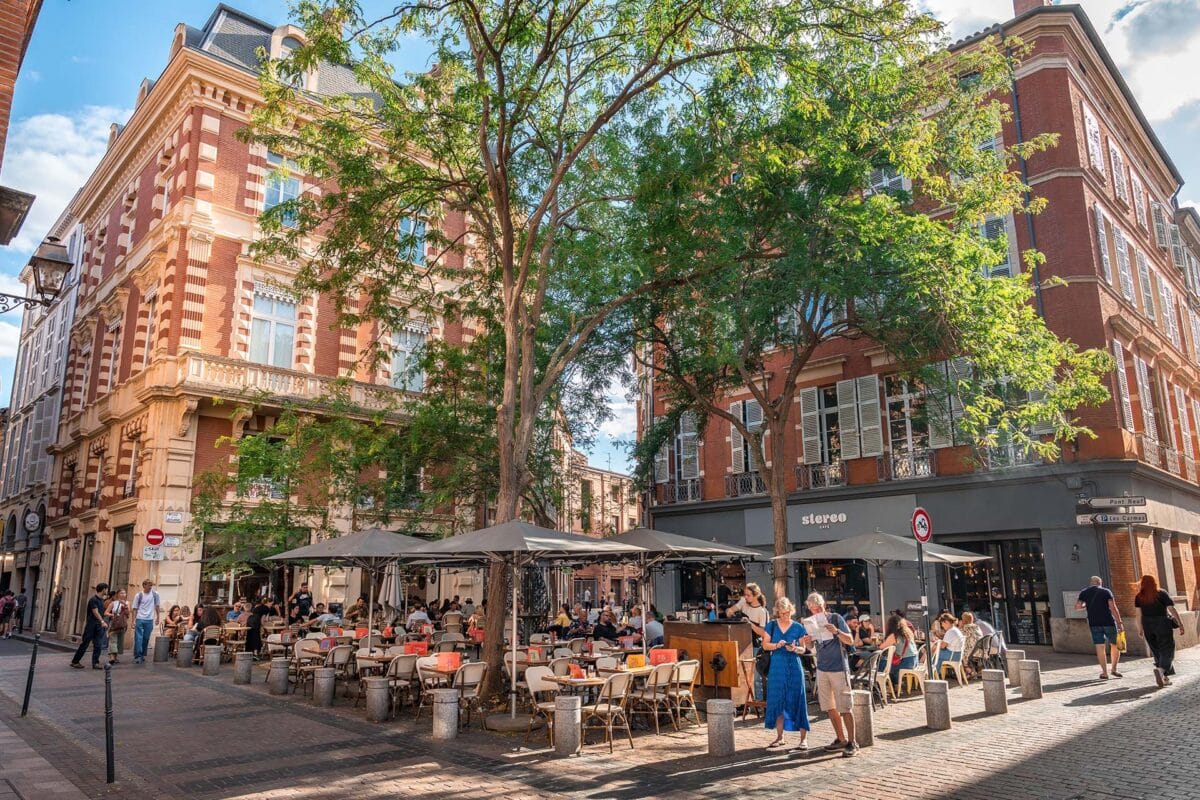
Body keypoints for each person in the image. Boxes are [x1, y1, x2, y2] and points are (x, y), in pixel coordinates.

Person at [800, 592, 857, 757]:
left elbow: (850, 640)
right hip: (822, 668)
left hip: (839, 667)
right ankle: (841, 738)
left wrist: (836, 631)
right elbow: (812, 649)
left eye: (817, 608)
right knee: (829, 707)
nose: (815, 611)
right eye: (812, 609)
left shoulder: (836, 618)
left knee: (845, 706)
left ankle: (852, 742)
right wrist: (808, 642)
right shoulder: (812, 622)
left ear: (823, 605)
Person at [760, 596, 809, 750]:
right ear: (777, 613)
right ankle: (780, 737)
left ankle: (803, 740)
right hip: (777, 666)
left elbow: (804, 649)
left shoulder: (798, 627)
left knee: (798, 699)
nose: (784, 616)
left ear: (791, 611)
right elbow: (765, 645)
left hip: (794, 665)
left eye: (787, 613)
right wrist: (777, 645)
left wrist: (794, 648)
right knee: (778, 700)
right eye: (781, 613)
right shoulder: (771, 625)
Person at [1135, 574, 1183, 687]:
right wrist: (1180, 623)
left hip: (1147, 625)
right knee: (1168, 649)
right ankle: (1161, 671)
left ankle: (1164, 678)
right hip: (1162, 624)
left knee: (1156, 650)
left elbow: (1138, 614)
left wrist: (1140, 628)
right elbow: (1172, 609)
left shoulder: (1139, 596)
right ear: (1154, 582)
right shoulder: (1161, 593)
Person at [1075, 576, 1125, 679]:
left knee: (1099, 647)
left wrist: (1086, 606)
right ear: (1100, 583)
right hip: (1108, 622)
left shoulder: (1084, 592)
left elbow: (1077, 607)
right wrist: (1119, 622)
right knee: (1115, 645)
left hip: (1094, 623)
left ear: (1091, 583)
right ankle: (1114, 669)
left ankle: (1104, 673)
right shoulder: (1106, 592)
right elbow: (1113, 608)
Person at [71, 583, 110, 670]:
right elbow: (95, 612)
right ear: (103, 589)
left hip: (99, 626)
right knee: (85, 644)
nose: (107, 591)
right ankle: (75, 661)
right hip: (91, 625)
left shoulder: (102, 600)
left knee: (98, 645)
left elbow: (101, 612)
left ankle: (95, 663)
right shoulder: (93, 600)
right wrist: (102, 621)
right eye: (106, 589)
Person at [876, 614, 919, 687]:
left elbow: (881, 648)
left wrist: (879, 643)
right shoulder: (908, 632)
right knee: (887, 663)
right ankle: (894, 684)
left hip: (905, 663)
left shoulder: (894, 635)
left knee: (881, 663)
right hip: (914, 661)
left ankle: (881, 684)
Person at [131, 579, 161, 664]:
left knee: (146, 638)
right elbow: (134, 608)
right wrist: (133, 620)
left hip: (150, 619)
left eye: (151, 585)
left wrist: (158, 617)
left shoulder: (155, 594)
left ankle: (142, 654)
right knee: (139, 638)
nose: (150, 587)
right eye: (148, 585)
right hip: (140, 618)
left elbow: (157, 606)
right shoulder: (139, 595)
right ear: (144, 586)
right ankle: (138, 655)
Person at [106, 589, 130, 665]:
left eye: (124, 593)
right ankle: (112, 657)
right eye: (121, 593)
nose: (123, 594)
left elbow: (128, 614)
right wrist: (112, 615)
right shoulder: (113, 603)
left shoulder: (127, 603)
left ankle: (115, 657)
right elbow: (106, 612)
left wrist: (125, 606)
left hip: (122, 624)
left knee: (119, 641)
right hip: (113, 624)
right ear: (118, 594)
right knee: (113, 640)